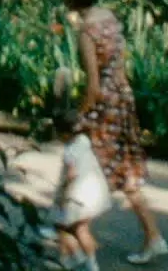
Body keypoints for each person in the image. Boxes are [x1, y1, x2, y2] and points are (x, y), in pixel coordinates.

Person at [55, 0, 168, 265]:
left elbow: (92, 83)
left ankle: (70, 230)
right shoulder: (109, 17)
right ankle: (153, 236)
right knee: (124, 172)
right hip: (122, 97)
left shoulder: (86, 31)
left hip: (104, 103)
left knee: (84, 165)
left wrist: (81, 116)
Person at [52, 108, 112, 271]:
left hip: (77, 195)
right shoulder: (84, 140)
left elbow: (71, 174)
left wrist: (63, 194)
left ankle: (78, 256)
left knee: (62, 226)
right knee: (79, 228)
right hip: (93, 193)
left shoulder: (69, 150)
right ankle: (88, 262)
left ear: (63, 133)